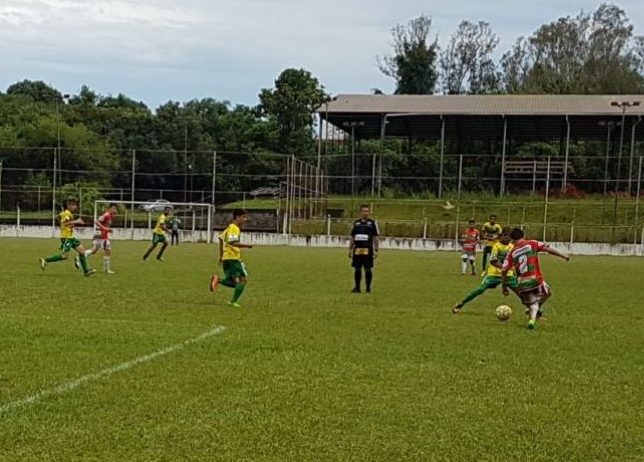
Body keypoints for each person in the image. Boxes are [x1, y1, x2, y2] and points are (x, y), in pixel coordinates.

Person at [502, 228, 570, 330]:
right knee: (547, 293)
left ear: (512, 240)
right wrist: (563, 255)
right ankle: (532, 317)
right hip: (535, 280)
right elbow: (547, 249)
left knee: (533, 303)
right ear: (523, 236)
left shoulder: (511, 252)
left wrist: (504, 287)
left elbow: (504, 270)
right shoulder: (532, 243)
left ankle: (532, 315)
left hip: (521, 284)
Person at [453, 229, 518, 313]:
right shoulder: (496, 246)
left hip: (508, 275)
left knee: (520, 291)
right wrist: (504, 267)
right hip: (493, 274)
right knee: (481, 289)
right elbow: (493, 261)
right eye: (505, 235)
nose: (507, 237)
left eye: (509, 236)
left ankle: (533, 309)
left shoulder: (512, 247)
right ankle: (460, 304)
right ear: (501, 237)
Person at [39, 198, 96, 277]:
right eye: (74, 205)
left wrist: (63, 224)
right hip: (66, 237)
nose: (75, 207)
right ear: (69, 206)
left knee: (82, 251)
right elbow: (65, 223)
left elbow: (58, 217)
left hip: (70, 237)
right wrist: (76, 221)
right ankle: (45, 260)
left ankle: (86, 271)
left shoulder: (66, 213)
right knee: (64, 256)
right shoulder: (66, 214)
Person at [209, 209, 253, 308]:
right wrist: (247, 245)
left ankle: (217, 280)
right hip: (233, 258)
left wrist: (221, 256)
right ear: (237, 217)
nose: (245, 219)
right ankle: (233, 302)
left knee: (234, 283)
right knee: (243, 280)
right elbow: (232, 242)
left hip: (227, 259)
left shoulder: (229, 228)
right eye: (244, 217)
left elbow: (221, 239)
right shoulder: (234, 228)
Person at [349, 204, 379, 293]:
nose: (365, 213)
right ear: (360, 212)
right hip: (357, 249)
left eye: (367, 211)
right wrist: (350, 249)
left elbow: (375, 237)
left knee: (368, 269)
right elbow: (352, 237)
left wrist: (376, 250)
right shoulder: (356, 223)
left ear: (369, 212)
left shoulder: (372, 223)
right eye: (364, 211)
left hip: (368, 249)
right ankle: (357, 288)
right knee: (357, 268)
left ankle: (368, 288)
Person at [81, 203, 117, 274]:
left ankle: (80, 256)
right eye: (113, 208)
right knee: (108, 251)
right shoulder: (106, 215)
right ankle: (107, 269)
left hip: (102, 236)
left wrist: (107, 229)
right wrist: (105, 228)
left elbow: (106, 224)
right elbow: (96, 221)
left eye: (115, 209)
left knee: (94, 250)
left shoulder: (111, 216)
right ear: (109, 208)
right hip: (102, 236)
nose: (114, 210)